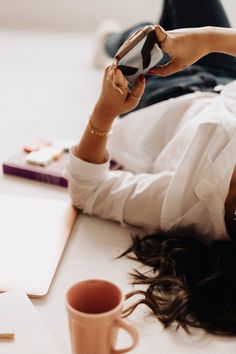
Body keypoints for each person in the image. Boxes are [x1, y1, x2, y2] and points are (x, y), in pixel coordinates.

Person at [66, 0, 236, 335]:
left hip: (161, 96)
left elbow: (89, 190)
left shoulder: (187, 205)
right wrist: (205, 40)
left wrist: (104, 111)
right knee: (174, 28)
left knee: (137, 42)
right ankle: (166, 36)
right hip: (225, 73)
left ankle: (109, 41)